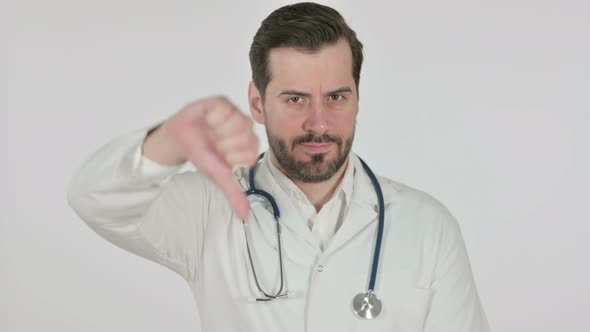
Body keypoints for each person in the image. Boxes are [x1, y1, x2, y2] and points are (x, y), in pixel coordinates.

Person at [67, 2, 490, 331]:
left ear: (358, 97)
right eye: (295, 99)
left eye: (337, 97)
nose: (319, 122)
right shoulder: (209, 210)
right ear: (257, 102)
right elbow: (94, 200)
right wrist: (169, 141)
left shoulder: (428, 226)